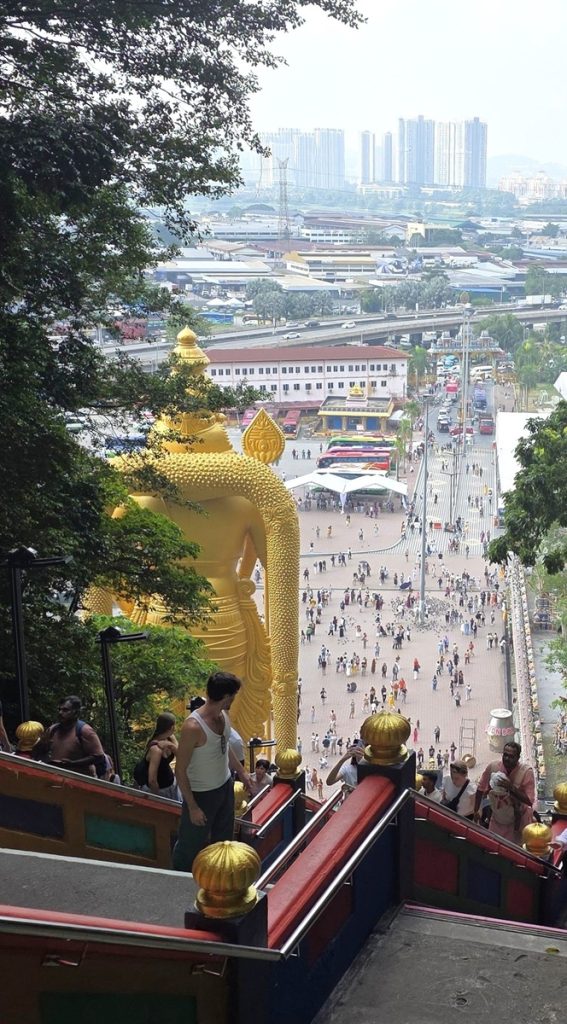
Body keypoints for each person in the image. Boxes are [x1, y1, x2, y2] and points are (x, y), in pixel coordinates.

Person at [172, 672, 252, 872]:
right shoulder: (193, 727)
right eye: (233, 695)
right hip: (201, 794)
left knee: (224, 841)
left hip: (225, 786)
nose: (234, 699)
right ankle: (177, 880)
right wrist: (192, 807)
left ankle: (221, 878)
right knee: (190, 845)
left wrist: (242, 774)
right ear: (226, 696)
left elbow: (225, 749)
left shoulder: (223, 716)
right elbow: (180, 770)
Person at [473, 741, 535, 844]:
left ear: (518, 758)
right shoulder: (493, 767)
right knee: (493, 846)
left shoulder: (526, 772)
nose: (507, 758)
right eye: (505, 755)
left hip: (517, 822)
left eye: (511, 756)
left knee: (513, 851)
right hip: (497, 818)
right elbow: (480, 789)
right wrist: (476, 810)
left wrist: (511, 787)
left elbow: (529, 801)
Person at [34, 695, 106, 777]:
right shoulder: (53, 730)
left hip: (80, 781)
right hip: (56, 778)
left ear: (76, 713)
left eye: (65, 710)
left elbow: (99, 757)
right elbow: (38, 752)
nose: (60, 713)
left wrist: (73, 764)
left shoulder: (85, 731)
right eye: (59, 709)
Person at [134, 711, 180, 800]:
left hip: (171, 785)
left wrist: (170, 746)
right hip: (162, 790)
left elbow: (181, 755)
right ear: (171, 727)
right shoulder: (156, 750)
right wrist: (157, 798)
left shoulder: (170, 737)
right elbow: (152, 780)